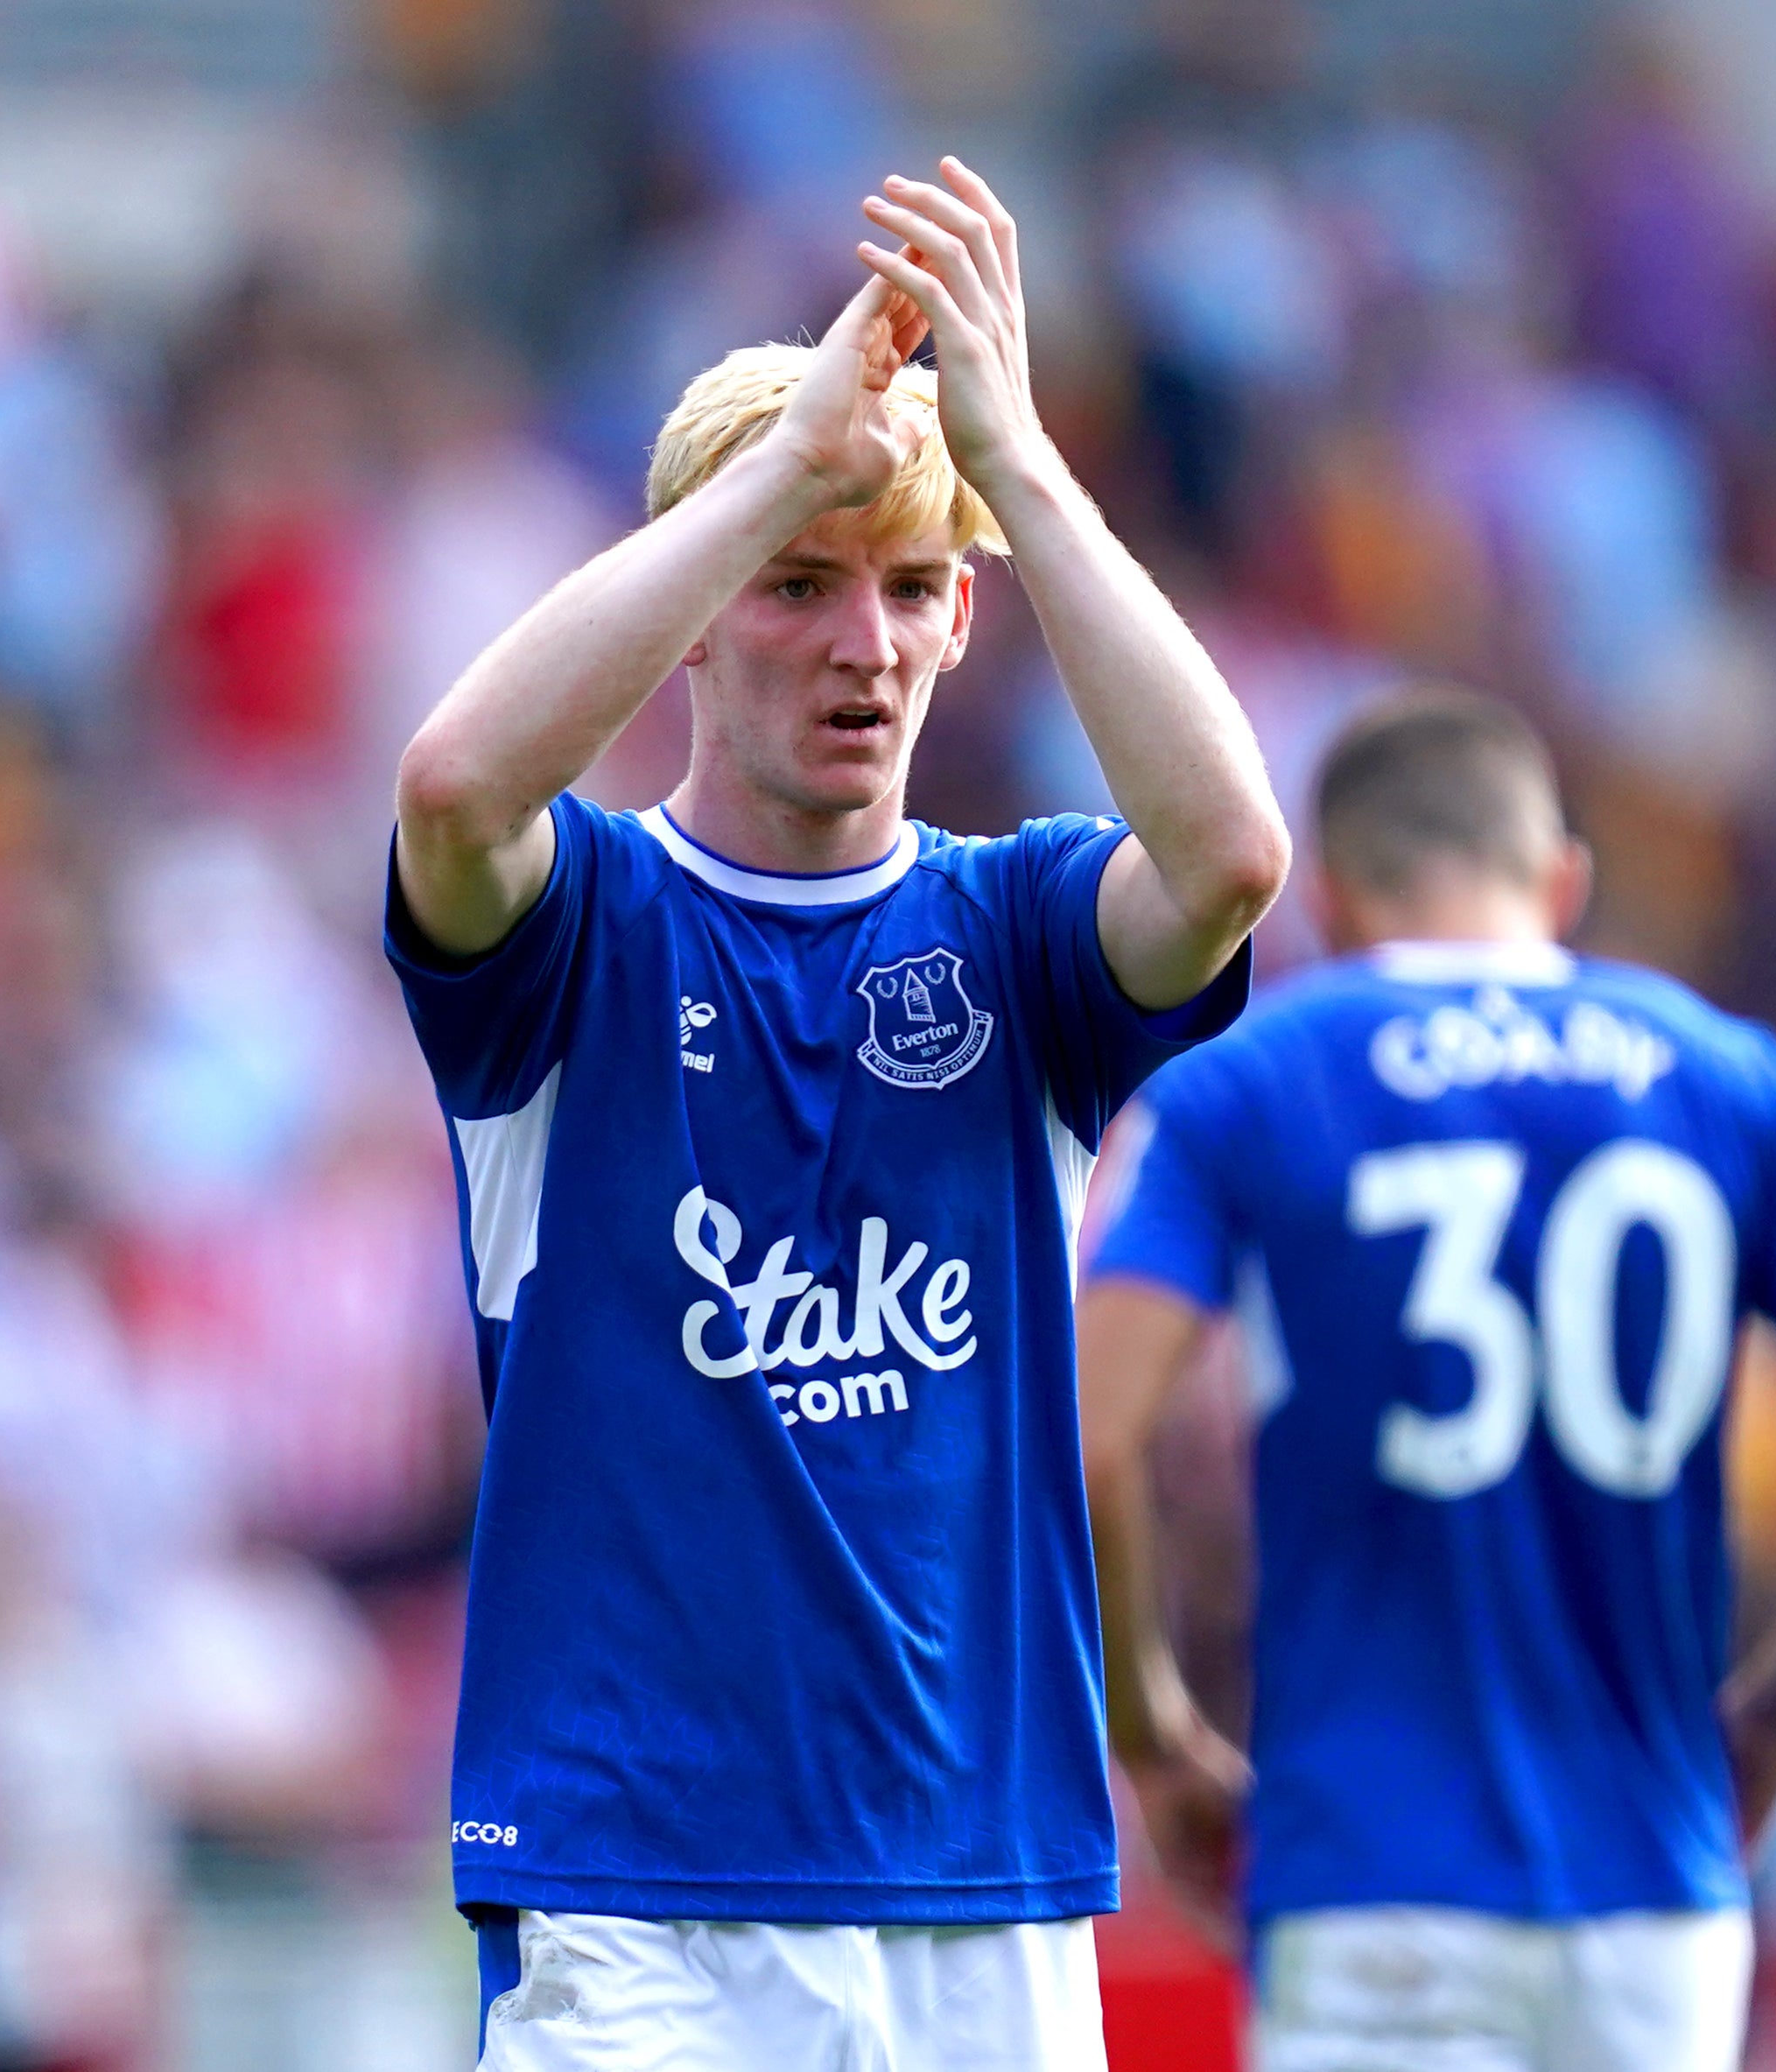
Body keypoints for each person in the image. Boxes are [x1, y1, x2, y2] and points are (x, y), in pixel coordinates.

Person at [386, 158, 1288, 2068]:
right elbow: (456, 787)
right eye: (796, 586)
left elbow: (1226, 854)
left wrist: (1021, 469)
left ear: (966, 620)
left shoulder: (1019, 927)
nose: (860, 644)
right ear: (696, 614)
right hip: (635, 1890)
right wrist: (785, 468)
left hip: (980, 1884)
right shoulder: (581, 928)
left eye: (905, 588)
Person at [1078, 688, 1776, 2070]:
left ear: (1329, 898)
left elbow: (1090, 1440)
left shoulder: (1257, 1077)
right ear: (1562, 880)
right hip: (1653, 1898)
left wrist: (1151, 1731)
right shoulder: (1732, 1080)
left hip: (1371, 1877)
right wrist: (1773, 1720)